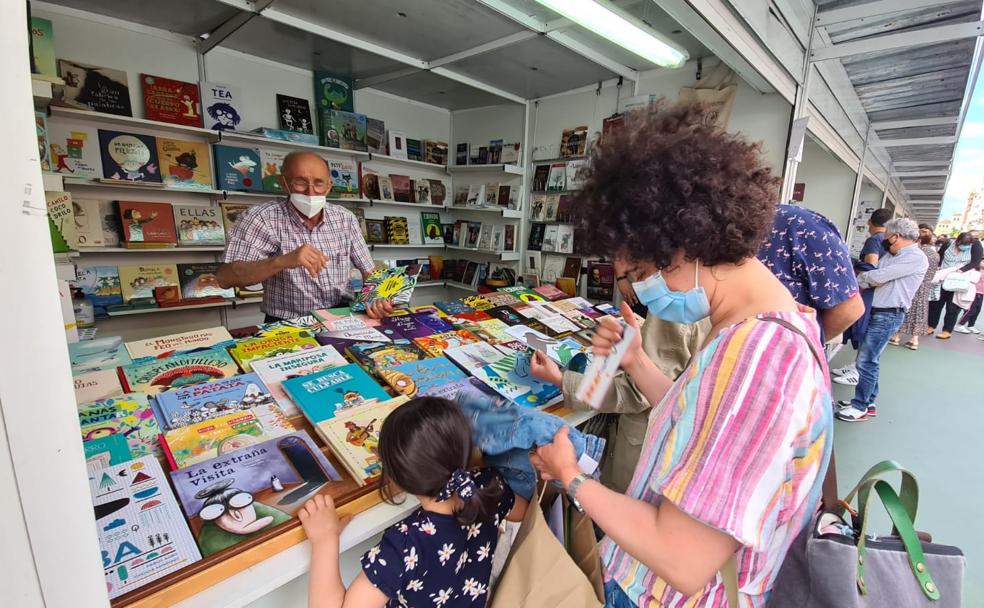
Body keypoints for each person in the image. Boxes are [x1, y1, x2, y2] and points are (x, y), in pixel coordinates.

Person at [530, 101, 832, 607]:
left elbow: (681, 557)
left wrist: (571, 477)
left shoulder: (757, 358)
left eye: (636, 274)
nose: (635, 291)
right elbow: (707, 421)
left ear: (683, 246)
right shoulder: (765, 323)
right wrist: (636, 362)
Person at [298, 396, 528, 608]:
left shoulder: (406, 544)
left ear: (397, 480)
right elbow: (522, 513)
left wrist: (324, 541)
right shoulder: (490, 485)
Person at [530, 272, 709, 492]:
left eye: (639, 270)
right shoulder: (713, 301)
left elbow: (636, 393)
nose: (635, 282)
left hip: (642, 451)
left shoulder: (675, 300)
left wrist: (559, 379)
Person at [217, 151, 393, 321]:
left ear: (329, 186)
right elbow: (225, 278)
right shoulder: (261, 218)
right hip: (287, 322)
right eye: (300, 182)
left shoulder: (345, 218)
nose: (310, 192)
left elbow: (369, 271)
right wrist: (282, 261)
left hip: (341, 315)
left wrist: (376, 298)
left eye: (318, 183)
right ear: (284, 183)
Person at [835, 219, 928, 422]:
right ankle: (867, 402)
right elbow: (874, 273)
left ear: (897, 236)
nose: (884, 240)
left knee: (867, 360)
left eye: (887, 237)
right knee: (869, 359)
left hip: (888, 314)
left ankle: (860, 406)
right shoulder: (895, 255)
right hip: (877, 312)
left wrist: (856, 279)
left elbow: (877, 277)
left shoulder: (916, 257)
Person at [756, 203, 864, 342]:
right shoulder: (722, 233)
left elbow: (849, 309)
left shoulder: (799, 225)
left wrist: (803, 346)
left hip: (784, 355)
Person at [831, 207, 893, 385]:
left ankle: (859, 369)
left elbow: (871, 264)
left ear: (870, 222)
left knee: (863, 326)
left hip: (868, 289)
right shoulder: (888, 240)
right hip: (881, 292)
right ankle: (857, 365)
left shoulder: (874, 240)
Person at [927, 231, 984, 339]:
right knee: (936, 303)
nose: (965, 247)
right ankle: (931, 325)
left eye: (968, 245)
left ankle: (947, 330)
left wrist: (961, 270)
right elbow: (940, 256)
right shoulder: (948, 243)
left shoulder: (976, 245)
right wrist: (938, 267)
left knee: (953, 307)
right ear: (957, 241)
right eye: (963, 244)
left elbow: (975, 262)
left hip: (959, 281)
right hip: (943, 278)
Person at [891, 225, 940, 349]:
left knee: (906, 309)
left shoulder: (918, 253)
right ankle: (914, 339)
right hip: (925, 286)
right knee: (920, 312)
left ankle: (896, 336)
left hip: (913, 284)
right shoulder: (935, 254)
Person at [956, 260, 984, 334]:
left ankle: (971, 325)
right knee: (970, 310)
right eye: (983, 261)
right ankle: (960, 325)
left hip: (981, 293)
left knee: (977, 310)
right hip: (974, 292)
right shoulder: (975, 270)